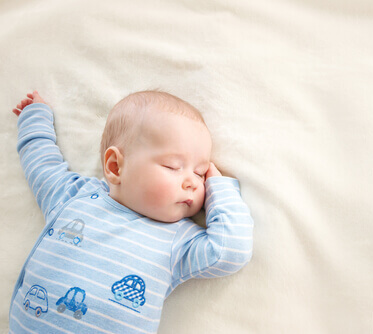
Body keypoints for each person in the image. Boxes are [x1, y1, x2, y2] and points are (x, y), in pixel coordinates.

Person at [9, 90, 254, 333]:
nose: (192, 181)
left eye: (200, 173)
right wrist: (35, 117)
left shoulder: (178, 240)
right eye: (173, 166)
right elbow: (41, 163)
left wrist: (218, 188)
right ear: (115, 166)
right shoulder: (73, 196)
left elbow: (230, 250)